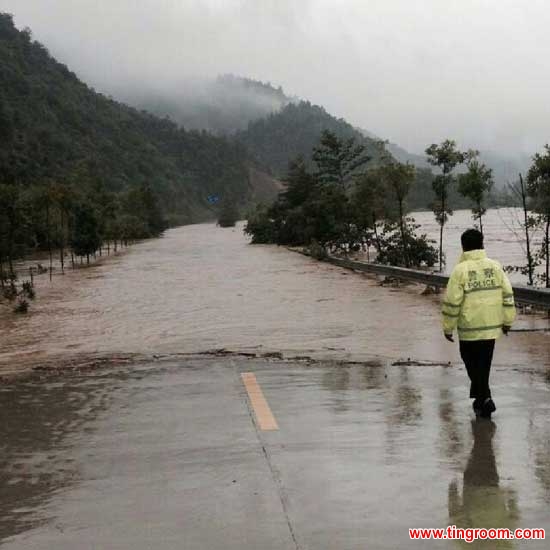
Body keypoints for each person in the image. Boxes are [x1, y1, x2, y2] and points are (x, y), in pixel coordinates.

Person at [442, 229, 516, 417]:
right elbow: (507, 296)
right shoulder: (495, 266)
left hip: (469, 329)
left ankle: (484, 398)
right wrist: (507, 321)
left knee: (471, 364)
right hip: (491, 329)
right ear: (482, 244)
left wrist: (448, 327)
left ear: (463, 247)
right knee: (484, 365)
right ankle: (483, 400)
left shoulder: (460, 271)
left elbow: (452, 302)